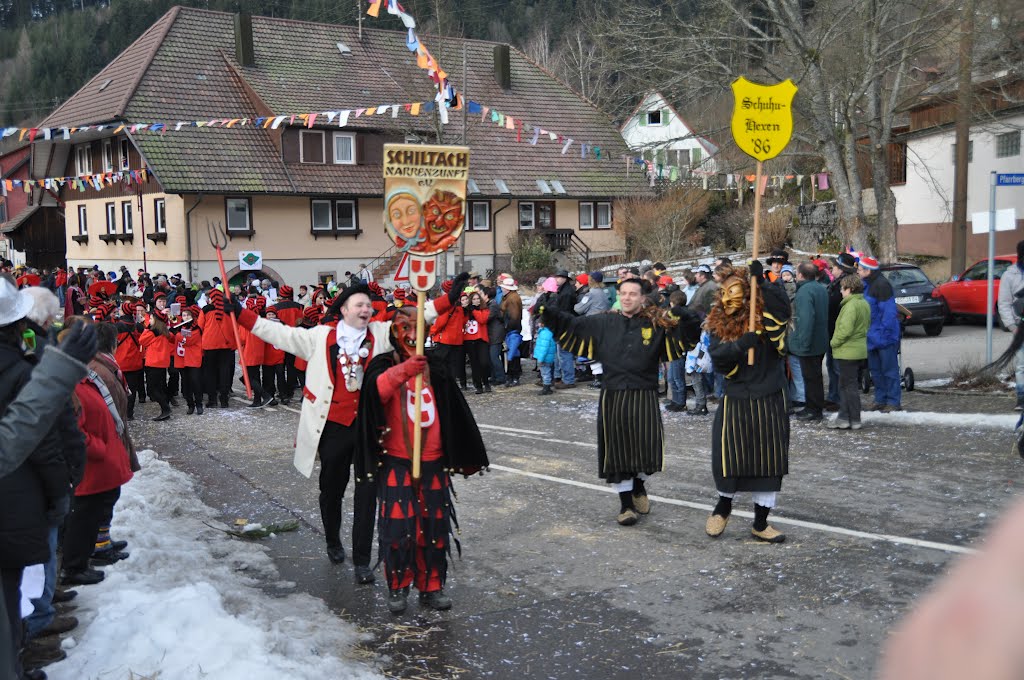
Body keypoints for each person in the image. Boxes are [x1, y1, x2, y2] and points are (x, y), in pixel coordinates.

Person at [225, 277, 465, 584]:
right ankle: (332, 540)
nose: (366, 309)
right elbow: (278, 333)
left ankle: (362, 561)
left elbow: (418, 315)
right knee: (331, 489)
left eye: (368, 304)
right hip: (332, 426)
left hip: (368, 427)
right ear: (344, 310)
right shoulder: (320, 336)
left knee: (367, 495)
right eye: (359, 305)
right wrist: (241, 313)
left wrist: (448, 299)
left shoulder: (380, 333)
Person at [356, 307, 488, 614]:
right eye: (404, 328)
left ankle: (431, 587)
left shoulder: (437, 366)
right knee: (398, 529)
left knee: (433, 528)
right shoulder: (382, 364)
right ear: (393, 332)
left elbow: (453, 411)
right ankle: (398, 588)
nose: (412, 334)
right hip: (397, 462)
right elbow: (375, 393)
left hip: (433, 463)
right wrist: (403, 371)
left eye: (417, 328)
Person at [542, 278, 701, 525]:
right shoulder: (604, 321)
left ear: (641, 298)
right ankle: (625, 505)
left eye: (632, 294)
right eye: (623, 293)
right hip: (614, 394)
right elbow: (573, 326)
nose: (627, 298)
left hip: (645, 393)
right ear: (618, 296)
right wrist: (550, 313)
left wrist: (687, 317)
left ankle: (639, 485)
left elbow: (686, 337)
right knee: (618, 452)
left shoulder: (656, 323)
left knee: (646, 448)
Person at [0, 322, 95, 680]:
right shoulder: (17, 369)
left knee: (12, 604)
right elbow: (24, 434)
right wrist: (57, 370)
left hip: (18, 500)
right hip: (19, 501)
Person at [704, 260, 792, 543]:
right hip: (737, 395)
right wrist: (744, 343)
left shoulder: (765, 315)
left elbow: (784, 308)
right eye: (728, 291)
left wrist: (763, 281)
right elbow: (718, 357)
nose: (734, 297)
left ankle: (761, 522)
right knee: (729, 455)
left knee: (769, 459)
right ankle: (723, 506)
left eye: (740, 290)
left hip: (769, 394)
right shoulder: (718, 323)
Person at [858, 255, 902, 412]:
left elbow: (889, 314)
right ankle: (880, 399)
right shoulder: (867, 284)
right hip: (871, 336)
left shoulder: (881, 285)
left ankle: (893, 401)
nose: (858, 271)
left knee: (889, 371)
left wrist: (885, 334)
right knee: (876, 371)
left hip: (884, 336)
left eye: (860, 269)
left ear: (868, 271)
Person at [790, 262, 829, 422]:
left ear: (800, 275)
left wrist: (803, 343)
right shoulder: (820, 288)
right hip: (820, 340)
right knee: (815, 377)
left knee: (811, 377)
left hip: (810, 343)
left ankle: (813, 409)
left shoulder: (805, 292)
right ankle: (814, 407)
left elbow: (806, 319)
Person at [829, 275, 869, 430]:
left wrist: (833, 342)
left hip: (848, 351)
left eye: (842, 288)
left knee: (848, 386)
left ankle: (853, 418)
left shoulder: (851, 306)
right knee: (846, 385)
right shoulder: (863, 303)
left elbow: (845, 330)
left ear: (850, 289)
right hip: (857, 349)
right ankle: (844, 418)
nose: (840, 291)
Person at [826, 253, 859, 408]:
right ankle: (834, 397)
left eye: (834, 267)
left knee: (839, 369)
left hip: (839, 334)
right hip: (832, 331)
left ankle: (843, 401)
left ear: (841, 269)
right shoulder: (835, 284)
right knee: (832, 367)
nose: (832, 269)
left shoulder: (845, 286)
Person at [996, 240, 1024, 410]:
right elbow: (1004, 303)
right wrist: (1012, 326)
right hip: (1021, 326)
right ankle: (1022, 397)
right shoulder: (1010, 275)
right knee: (1023, 364)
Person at [462, 290, 491, 394]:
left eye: (478, 299)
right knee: (474, 364)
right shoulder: (466, 311)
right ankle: (478, 385)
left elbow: (482, 320)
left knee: (484, 362)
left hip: (481, 339)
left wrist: (473, 310)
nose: (476, 301)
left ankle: (486, 382)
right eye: (473, 299)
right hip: (469, 340)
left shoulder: (484, 310)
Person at [498, 277, 524, 387]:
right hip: (513, 329)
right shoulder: (511, 297)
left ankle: (513, 376)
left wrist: (507, 327)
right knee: (514, 353)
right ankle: (513, 376)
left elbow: (514, 316)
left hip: (511, 329)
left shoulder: (512, 299)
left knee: (512, 354)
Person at [534, 318, 557, 395]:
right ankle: (547, 387)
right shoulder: (547, 332)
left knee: (545, 373)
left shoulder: (545, 333)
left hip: (544, 357)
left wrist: (540, 358)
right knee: (546, 372)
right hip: (547, 357)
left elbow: (544, 348)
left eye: (539, 323)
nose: (538, 324)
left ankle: (546, 388)